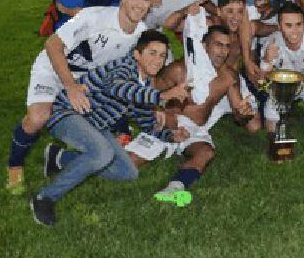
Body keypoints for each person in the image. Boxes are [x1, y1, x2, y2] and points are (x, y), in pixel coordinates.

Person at [5, 0, 156, 195]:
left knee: (106, 151)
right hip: (54, 68)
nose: (139, 4)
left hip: (86, 81)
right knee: (39, 117)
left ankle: (59, 157)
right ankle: (15, 166)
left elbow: (135, 75)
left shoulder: (141, 35)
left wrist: (155, 106)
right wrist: (70, 86)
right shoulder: (95, 17)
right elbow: (53, 45)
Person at [28, 30, 190, 226]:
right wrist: (162, 96)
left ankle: (59, 158)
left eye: (162, 55)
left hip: (94, 124)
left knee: (127, 172)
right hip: (66, 113)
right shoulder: (122, 68)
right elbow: (120, 88)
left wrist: (171, 136)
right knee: (101, 153)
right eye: (152, 53)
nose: (158, 60)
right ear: (137, 55)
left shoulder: (145, 82)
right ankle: (44, 198)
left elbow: (146, 121)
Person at [124, 23, 258, 207]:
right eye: (218, 45)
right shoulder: (180, 70)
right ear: (204, 45)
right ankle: (76, 158)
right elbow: (149, 97)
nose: (223, 52)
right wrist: (164, 118)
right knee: (127, 164)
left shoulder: (229, 77)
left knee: (206, 152)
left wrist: (244, 113)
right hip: (168, 123)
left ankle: (174, 189)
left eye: (227, 46)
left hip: (195, 129)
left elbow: (239, 117)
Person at [256, 2, 304, 145]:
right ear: (279, 26)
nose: (295, 31)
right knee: (271, 126)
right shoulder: (271, 44)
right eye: (288, 25)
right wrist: (266, 61)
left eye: (299, 24)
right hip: (281, 86)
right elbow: (261, 84)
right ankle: (277, 144)